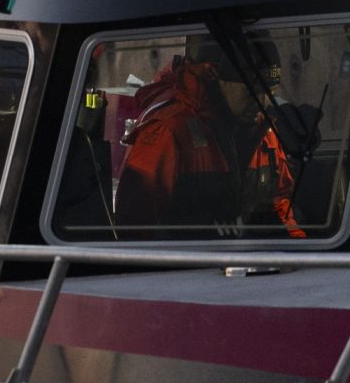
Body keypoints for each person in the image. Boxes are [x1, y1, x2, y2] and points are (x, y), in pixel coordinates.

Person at [114, 44, 305, 238]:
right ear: (217, 78)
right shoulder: (169, 131)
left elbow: (280, 202)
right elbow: (134, 228)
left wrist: (299, 249)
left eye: (270, 93)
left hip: (253, 261)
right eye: (250, 92)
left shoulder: (266, 132)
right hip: (191, 265)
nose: (262, 103)